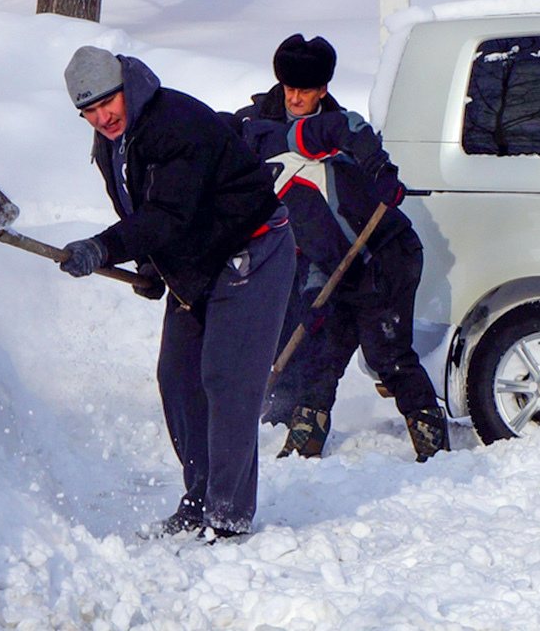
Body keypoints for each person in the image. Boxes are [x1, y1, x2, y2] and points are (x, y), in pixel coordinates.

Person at [60, 45, 294, 541]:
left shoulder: (175, 123)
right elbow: (142, 209)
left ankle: (228, 515)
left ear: (126, 88)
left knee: (226, 381)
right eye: (89, 111)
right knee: (179, 379)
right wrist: (149, 264)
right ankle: (200, 498)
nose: (102, 117)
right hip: (197, 261)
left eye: (107, 103)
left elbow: (169, 214)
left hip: (251, 251)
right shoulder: (111, 145)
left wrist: (104, 248)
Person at [236, 34, 447, 462]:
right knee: (319, 353)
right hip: (332, 263)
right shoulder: (258, 133)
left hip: (385, 253)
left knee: (386, 353)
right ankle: (302, 446)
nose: (295, 97)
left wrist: (382, 172)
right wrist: (313, 294)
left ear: (323, 90)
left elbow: (354, 132)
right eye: (289, 88)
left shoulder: (318, 130)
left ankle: (433, 440)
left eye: (305, 90)